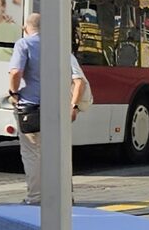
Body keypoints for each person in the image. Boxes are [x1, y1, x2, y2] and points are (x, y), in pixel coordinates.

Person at [6, 14, 88, 204]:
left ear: (26, 27)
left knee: (32, 153)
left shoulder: (23, 44)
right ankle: (66, 195)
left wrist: (13, 92)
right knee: (59, 154)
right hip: (58, 109)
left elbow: (16, 72)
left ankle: (35, 197)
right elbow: (78, 81)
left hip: (31, 109)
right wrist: (73, 106)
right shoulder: (60, 46)